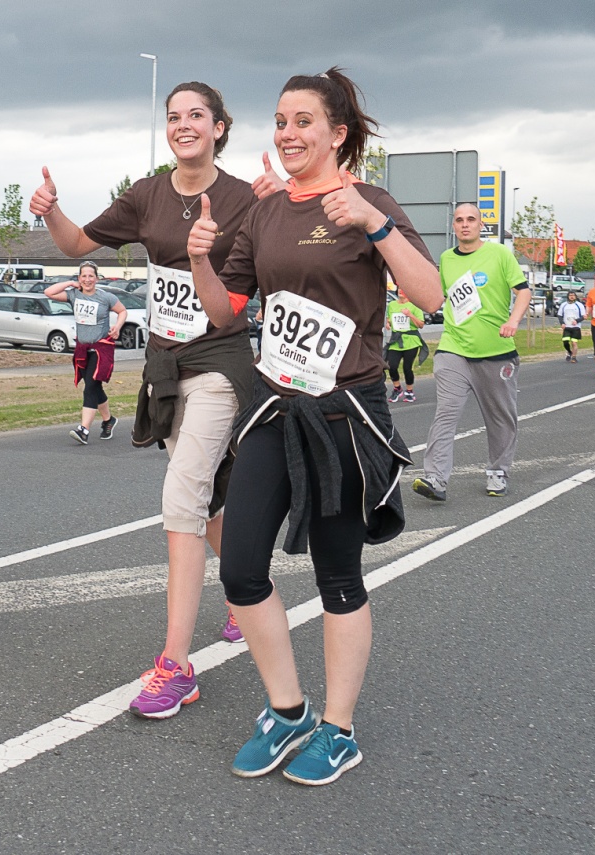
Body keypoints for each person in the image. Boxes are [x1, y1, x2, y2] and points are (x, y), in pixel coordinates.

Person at [188, 67, 441, 785]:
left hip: (346, 414)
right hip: (275, 406)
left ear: (336, 133)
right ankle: (289, 708)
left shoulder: (370, 201)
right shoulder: (265, 214)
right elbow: (223, 312)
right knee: (239, 568)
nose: (288, 134)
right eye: (279, 121)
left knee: (338, 575)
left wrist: (376, 224)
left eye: (303, 122)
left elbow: (430, 299)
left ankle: (339, 727)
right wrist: (203, 258)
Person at [31, 81, 279, 719]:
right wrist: (49, 210)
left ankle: (176, 666)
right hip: (166, 366)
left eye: (197, 115)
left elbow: (280, 265)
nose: (183, 125)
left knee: (181, 494)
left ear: (220, 128)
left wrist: (284, 207)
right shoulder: (147, 194)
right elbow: (75, 246)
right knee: (208, 496)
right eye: (173, 117)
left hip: (222, 360)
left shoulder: (242, 198)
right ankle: (240, 596)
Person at [411, 203, 529, 502]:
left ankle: (498, 471)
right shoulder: (446, 259)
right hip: (454, 348)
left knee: (501, 418)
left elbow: (523, 291)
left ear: (481, 225)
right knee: (446, 412)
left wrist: (513, 320)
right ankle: (435, 478)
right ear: (453, 226)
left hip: (497, 351)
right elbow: (440, 298)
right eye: (459, 220)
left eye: (471, 220)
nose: (465, 225)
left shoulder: (500, 254)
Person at [42, 261, 126, 444]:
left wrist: (117, 327)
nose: (87, 279)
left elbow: (122, 311)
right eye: (83, 276)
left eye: (91, 276)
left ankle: (84, 430)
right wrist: (69, 284)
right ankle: (108, 420)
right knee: (94, 387)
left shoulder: (106, 297)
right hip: (83, 348)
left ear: (96, 278)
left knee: (90, 386)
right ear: (79, 278)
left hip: (101, 347)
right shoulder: (74, 295)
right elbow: (49, 293)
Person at [385, 287, 426, 402]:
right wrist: (388, 324)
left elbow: (421, 325)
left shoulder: (414, 306)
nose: (400, 291)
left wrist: (410, 315)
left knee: (407, 368)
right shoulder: (392, 305)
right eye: (399, 289)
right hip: (396, 341)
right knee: (391, 366)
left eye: (404, 289)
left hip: (411, 341)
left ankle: (409, 391)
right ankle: (397, 389)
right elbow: (389, 319)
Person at [557, 289, 586, 363]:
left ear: (575, 296)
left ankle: (574, 357)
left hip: (576, 327)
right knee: (565, 341)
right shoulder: (564, 305)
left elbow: (584, 316)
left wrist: (577, 321)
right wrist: (562, 323)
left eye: (573, 295)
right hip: (567, 326)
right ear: (568, 296)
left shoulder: (579, 305)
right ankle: (569, 352)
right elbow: (560, 315)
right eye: (570, 295)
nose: (572, 297)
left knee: (574, 342)